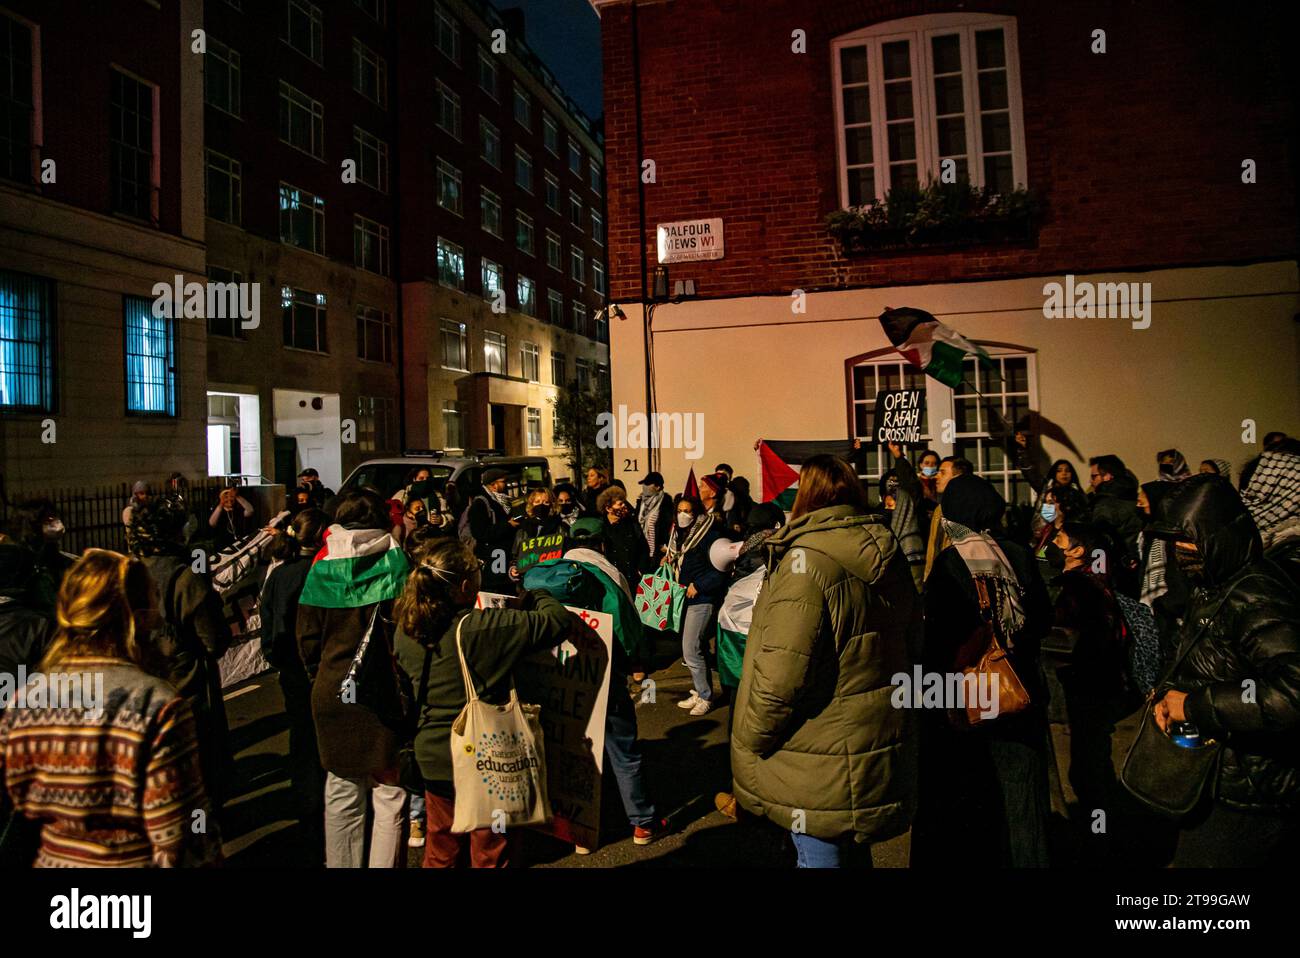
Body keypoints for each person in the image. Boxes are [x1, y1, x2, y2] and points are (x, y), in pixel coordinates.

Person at [731, 455, 919, 868]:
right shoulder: (887, 552)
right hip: (872, 739)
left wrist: (751, 737)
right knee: (851, 848)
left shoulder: (806, 564)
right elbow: (911, 642)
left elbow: (780, 677)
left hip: (815, 748)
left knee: (819, 852)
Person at [0, 550, 223, 866]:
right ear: (133, 616)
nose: (158, 615)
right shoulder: (157, 706)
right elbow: (178, 836)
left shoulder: (26, 701)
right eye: (151, 601)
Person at [1141, 475, 1300, 866]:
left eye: (1190, 537)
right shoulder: (1214, 584)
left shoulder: (1256, 594)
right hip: (1215, 779)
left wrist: (1193, 706)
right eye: (1174, 539)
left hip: (1252, 793)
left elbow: (1293, 693)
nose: (1180, 549)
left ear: (1220, 534)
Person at [393, 537, 574, 867]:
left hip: (433, 758)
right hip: (484, 758)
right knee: (491, 853)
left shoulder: (406, 629)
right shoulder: (481, 629)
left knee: (441, 849)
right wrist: (537, 592)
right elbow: (556, 622)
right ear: (464, 585)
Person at [911, 473, 1053, 868]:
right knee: (1021, 797)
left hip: (971, 697)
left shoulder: (950, 562)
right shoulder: (1018, 553)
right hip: (1019, 689)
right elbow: (1042, 619)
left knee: (971, 796)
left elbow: (940, 641)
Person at [524, 519, 669, 849]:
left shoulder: (547, 571)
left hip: (557, 672)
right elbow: (627, 627)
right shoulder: (608, 574)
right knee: (622, 749)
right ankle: (643, 824)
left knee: (571, 748)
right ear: (602, 543)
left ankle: (579, 831)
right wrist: (636, 663)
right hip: (600, 673)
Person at [296, 490, 412, 868]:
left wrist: (320, 674)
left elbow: (306, 639)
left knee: (342, 791)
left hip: (332, 690)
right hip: (382, 690)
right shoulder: (398, 562)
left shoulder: (322, 564)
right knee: (389, 792)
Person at [127, 497, 234, 808]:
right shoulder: (185, 578)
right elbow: (214, 640)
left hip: (139, 693)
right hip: (186, 691)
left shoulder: (127, 573)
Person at [1045, 521, 1139, 860]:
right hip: (1099, 684)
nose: (1052, 542)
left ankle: (1099, 840)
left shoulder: (1079, 587)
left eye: (1059, 538)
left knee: (1088, 770)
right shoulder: (1095, 582)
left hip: (1090, 684)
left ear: (1077, 550)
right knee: (1090, 763)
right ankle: (1101, 833)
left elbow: (1082, 638)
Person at [258, 508, 330, 861]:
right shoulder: (321, 574)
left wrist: (277, 657)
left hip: (289, 667)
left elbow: (267, 622)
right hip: (317, 667)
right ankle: (323, 798)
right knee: (321, 731)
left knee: (299, 732)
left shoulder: (278, 576)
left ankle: (304, 798)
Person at [662, 494, 727, 715]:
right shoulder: (680, 537)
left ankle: (706, 696)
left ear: (696, 513)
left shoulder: (709, 536)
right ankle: (700, 691)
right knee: (691, 649)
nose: (683, 515)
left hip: (701, 599)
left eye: (688, 511)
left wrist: (699, 585)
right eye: (680, 510)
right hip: (686, 600)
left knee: (691, 649)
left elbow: (720, 570)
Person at [1088, 454, 1143, 595]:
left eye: (1094, 477)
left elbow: (1099, 543)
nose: (1091, 481)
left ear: (1107, 477)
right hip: (1136, 568)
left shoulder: (1105, 504)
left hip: (1114, 572)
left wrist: (1097, 575)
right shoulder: (1133, 497)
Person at [461, 467, 521, 594]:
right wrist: (508, 525)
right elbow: (480, 533)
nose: (507, 485)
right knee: (496, 591)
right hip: (493, 557)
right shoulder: (481, 503)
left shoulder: (503, 502)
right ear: (493, 485)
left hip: (504, 555)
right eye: (503, 481)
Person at [923, 455, 974, 582]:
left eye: (943, 472)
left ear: (957, 478)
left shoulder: (970, 507)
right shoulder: (940, 508)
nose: (936, 476)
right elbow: (933, 548)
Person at [597, 485, 650, 590]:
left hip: (633, 578)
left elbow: (643, 548)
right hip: (612, 579)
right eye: (619, 504)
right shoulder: (601, 528)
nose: (624, 506)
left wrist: (640, 570)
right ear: (608, 508)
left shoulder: (631, 524)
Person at [509, 488, 565, 581]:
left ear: (552, 505)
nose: (541, 506)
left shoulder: (559, 527)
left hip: (551, 579)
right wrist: (513, 570)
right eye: (537, 502)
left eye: (546, 502)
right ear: (531, 505)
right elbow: (515, 558)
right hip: (528, 581)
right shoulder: (523, 530)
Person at [635, 471, 673, 564]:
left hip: (658, 554)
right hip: (642, 553)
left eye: (648, 484)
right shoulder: (641, 503)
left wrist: (665, 547)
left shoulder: (666, 504)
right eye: (643, 484)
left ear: (658, 487)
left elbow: (668, 527)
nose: (644, 486)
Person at [209, 484, 255, 551]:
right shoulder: (218, 509)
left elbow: (250, 511)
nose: (229, 499)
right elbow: (212, 523)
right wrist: (221, 504)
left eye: (231, 497)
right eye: (226, 496)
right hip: (222, 546)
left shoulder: (238, 510)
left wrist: (237, 496)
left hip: (237, 545)